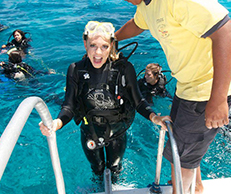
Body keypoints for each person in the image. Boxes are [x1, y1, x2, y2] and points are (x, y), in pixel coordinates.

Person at [112, 0, 231, 193]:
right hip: (187, 87)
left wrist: (218, 99)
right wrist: (112, 38)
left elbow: (227, 32)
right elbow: (137, 24)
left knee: (181, 156)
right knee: (181, 148)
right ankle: (196, 187)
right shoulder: (147, 5)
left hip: (207, 89)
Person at [39, 21, 171, 180]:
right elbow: (69, 105)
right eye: (93, 45)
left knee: (115, 168)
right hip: (90, 131)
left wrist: (155, 117)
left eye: (104, 47)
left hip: (117, 132)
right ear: (85, 44)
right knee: (97, 168)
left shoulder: (124, 69)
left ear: (112, 46)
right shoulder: (75, 69)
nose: (98, 53)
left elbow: (139, 101)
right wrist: (56, 123)